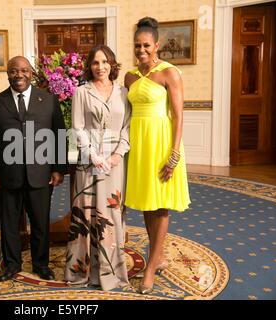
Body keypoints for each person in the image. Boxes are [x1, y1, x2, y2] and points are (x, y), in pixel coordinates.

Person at [0, 56, 67, 282]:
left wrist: (58, 168)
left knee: (40, 223)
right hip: (7, 176)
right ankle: (11, 264)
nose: (18, 75)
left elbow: (59, 135)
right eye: (13, 71)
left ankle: (41, 265)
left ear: (31, 73)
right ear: (7, 73)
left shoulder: (48, 100)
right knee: (9, 223)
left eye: (23, 70)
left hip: (40, 175)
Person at [124, 17, 191, 294]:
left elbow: (178, 115)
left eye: (146, 45)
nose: (141, 50)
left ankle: (151, 265)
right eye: (137, 45)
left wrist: (174, 154)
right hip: (139, 145)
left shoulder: (169, 72)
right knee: (146, 203)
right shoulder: (129, 76)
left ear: (157, 45)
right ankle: (158, 256)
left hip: (162, 144)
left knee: (160, 204)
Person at [64, 45, 131, 291]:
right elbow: (78, 127)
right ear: (89, 66)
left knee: (111, 215)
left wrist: (117, 155)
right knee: (87, 215)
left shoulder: (123, 92)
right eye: (95, 62)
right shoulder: (81, 92)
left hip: (115, 164)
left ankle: (110, 273)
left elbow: (126, 128)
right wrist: (93, 155)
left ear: (112, 64)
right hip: (88, 161)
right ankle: (81, 272)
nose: (100, 67)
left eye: (105, 62)